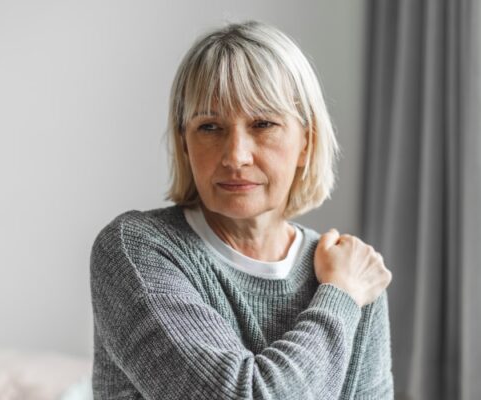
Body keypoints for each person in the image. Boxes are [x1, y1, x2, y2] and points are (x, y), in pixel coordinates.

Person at [90, 20, 393, 400]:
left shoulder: (352, 270)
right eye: (210, 127)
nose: (236, 156)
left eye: (263, 124)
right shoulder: (134, 249)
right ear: (185, 142)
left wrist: (344, 289)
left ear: (305, 143)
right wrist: (339, 298)